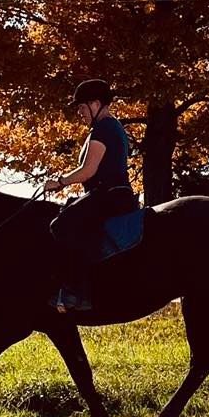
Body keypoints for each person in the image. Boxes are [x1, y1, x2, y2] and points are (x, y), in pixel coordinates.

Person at [44, 79, 139, 312]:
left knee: (62, 225)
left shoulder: (104, 128)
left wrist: (60, 182)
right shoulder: (110, 127)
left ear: (96, 104)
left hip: (109, 195)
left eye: (82, 107)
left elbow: (88, 170)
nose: (80, 112)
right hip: (111, 194)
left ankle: (75, 292)